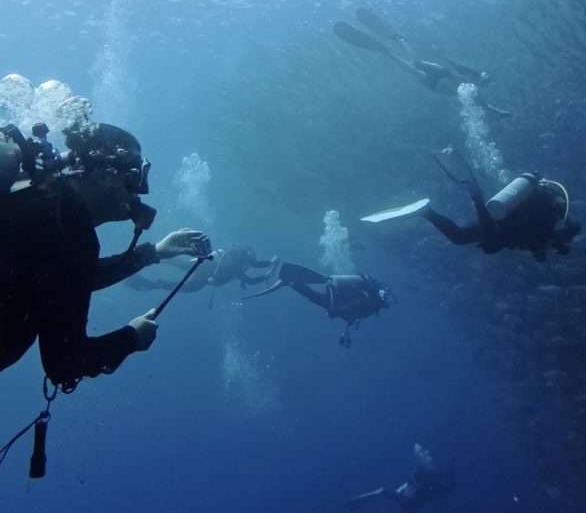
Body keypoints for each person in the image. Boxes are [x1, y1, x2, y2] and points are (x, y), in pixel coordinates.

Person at [0, 121, 210, 389]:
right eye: (133, 176)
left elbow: (64, 281)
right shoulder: (71, 228)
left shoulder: (36, 197)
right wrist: (131, 338)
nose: (139, 192)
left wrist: (153, 253)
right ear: (104, 173)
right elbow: (65, 362)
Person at [362, 150, 581, 263]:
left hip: (502, 220)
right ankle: (475, 194)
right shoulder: (550, 227)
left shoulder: (549, 232)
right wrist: (549, 246)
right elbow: (532, 233)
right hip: (503, 224)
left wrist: (545, 249)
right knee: (490, 245)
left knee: (459, 237)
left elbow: (533, 240)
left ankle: (426, 211)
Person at [334, 7, 511, 118]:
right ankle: (396, 41)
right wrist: (441, 54)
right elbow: (453, 65)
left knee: (410, 66)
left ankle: (388, 50)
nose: (481, 79)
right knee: (414, 62)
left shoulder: (474, 92)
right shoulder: (471, 77)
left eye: (483, 79)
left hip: (434, 83)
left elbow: (487, 107)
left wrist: (500, 112)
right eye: (483, 78)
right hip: (441, 75)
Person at [243, 260, 390, 346]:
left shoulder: (370, 306)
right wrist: (340, 313)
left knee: (314, 296)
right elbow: (356, 305)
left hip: (336, 299)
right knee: (318, 294)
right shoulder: (371, 301)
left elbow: (354, 314)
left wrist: (345, 333)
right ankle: (293, 281)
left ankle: (291, 282)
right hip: (338, 295)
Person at [349, 444, 454, 513]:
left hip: (411, 503)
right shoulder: (428, 474)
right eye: (426, 454)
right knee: (389, 512)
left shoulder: (431, 477)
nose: (428, 455)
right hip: (410, 501)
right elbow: (413, 482)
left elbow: (414, 483)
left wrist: (399, 490)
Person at [126, 244, 276, 300]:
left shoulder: (239, 262)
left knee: (181, 267)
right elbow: (249, 278)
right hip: (207, 270)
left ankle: (155, 259)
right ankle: (154, 275)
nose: (249, 265)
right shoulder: (237, 262)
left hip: (205, 266)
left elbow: (255, 268)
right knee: (187, 283)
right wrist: (266, 275)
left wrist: (270, 265)